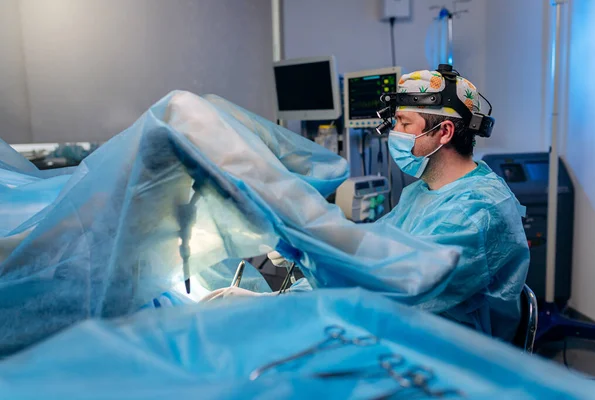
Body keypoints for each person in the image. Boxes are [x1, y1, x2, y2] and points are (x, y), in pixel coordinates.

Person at [206, 68, 530, 342]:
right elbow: (370, 252)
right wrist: (304, 258)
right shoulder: (421, 192)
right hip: (399, 336)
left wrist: (306, 267)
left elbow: (400, 292)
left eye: (404, 124)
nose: (395, 133)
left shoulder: (478, 211)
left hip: (446, 361)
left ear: (443, 131)